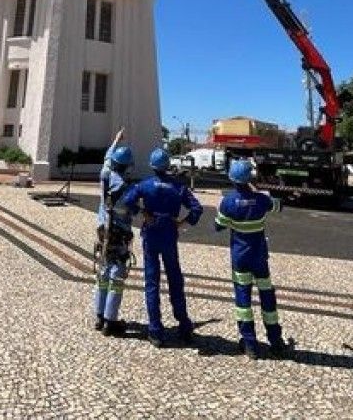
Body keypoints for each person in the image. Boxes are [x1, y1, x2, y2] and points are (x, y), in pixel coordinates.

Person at [121, 147, 203, 347]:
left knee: (152, 282)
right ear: (168, 166)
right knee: (175, 279)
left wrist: (142, 211)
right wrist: (182, 223)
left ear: (152, 166)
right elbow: (197, 208)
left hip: (151, 234)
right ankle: (183, 324)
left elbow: (126, 201)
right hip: (169, 235)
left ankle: (156, 330)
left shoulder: (145, 185)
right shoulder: (178, 187)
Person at [215, 158, 289, 360]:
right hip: (259, 257)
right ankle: (275, 341)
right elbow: (279, 206)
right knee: (267, 296)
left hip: (240, 257)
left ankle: (250, 343)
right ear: (250, 178)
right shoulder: (262, 200)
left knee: (243, 300)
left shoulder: (228, 201)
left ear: (232, 178)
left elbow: (218, 225)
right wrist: (257, 191)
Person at [94, 128, 135, 336]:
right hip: (119, 233)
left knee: (102, 271)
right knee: (116, 278)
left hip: (103, 230)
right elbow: (131, 211)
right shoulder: (126, 188)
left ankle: (99, 316)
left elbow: (107, 158)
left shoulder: (105, 174)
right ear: (127, 165)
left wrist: (116, 141)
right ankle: (111, 320)